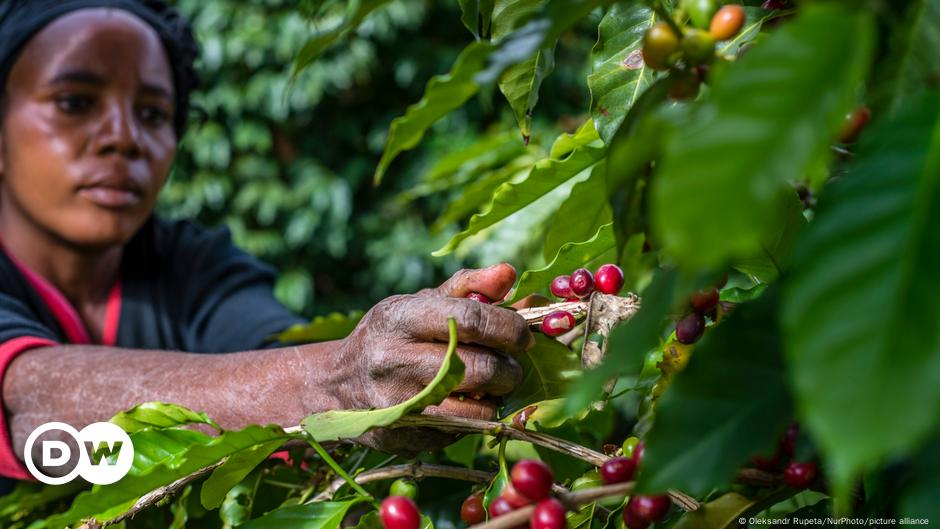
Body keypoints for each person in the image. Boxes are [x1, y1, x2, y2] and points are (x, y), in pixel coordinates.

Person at [0, 0, 531, 492]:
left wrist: (421, 360)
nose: (123, 137)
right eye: (74, 102)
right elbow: (30, 401)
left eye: (154, 113)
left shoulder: (195, 265)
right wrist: (338, 386)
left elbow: (276, 359)